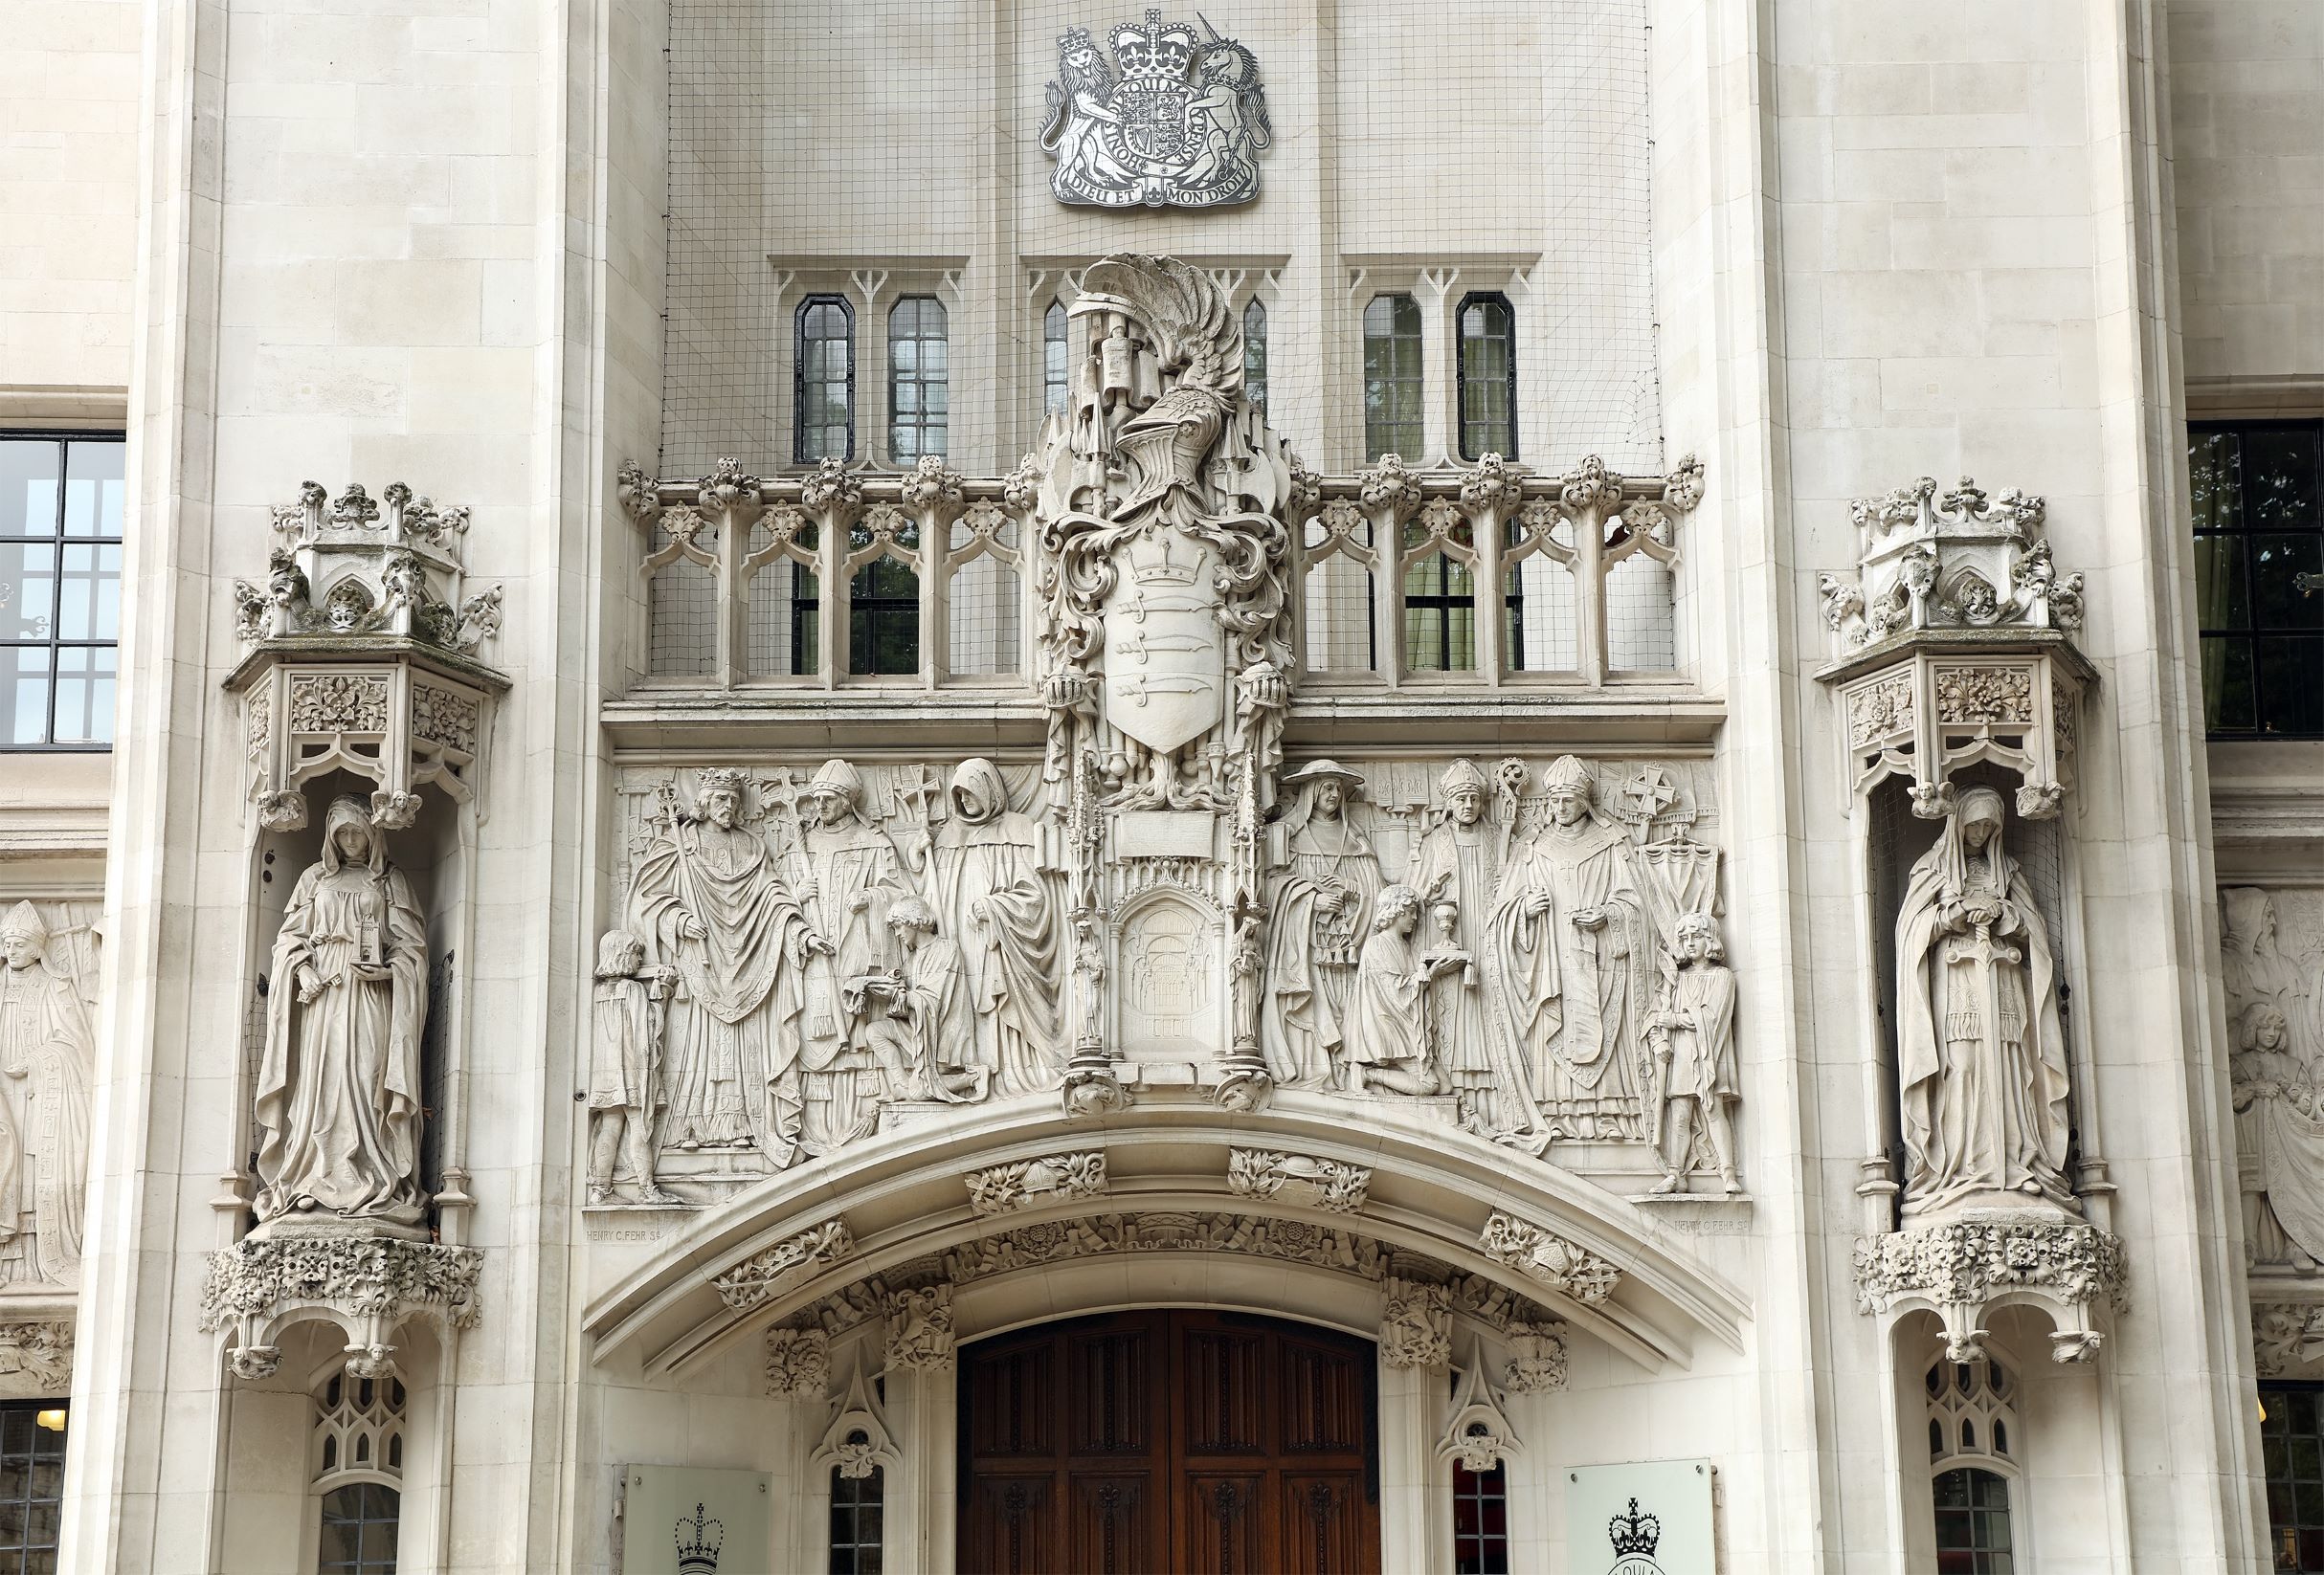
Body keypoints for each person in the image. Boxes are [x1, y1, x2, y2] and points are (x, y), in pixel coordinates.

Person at [629, 769, 827, 1165]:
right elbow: (646, 901)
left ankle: (746, 1127)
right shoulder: (680, 844)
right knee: (695, 1049)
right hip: (697, 962)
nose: (729, 806)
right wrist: (677, 919)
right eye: (721, 799)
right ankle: (689, 1129)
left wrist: (799, 931)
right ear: (703, 803)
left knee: (745, 1054)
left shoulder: (751, 846)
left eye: (734, 800)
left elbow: (772, 897)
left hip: (750, 962)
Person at [1893, 787, 2074, 1216]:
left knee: (2011, 1067)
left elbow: (2034, 930)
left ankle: (2015, 1161)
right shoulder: (1930, 870)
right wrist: (1949, 917)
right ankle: (1960, 1169)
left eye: (1988, 827)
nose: (1979, 833)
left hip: (2004, 981)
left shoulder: (2007, 873)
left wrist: (2006, 916)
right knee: (1962, 1066)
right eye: (1974, 825)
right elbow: (1910, 933)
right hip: (1956, 984)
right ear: (1957, 824)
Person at [255, 797, 430, 1227]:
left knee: (367, 1076)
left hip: (370, 994)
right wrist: (303, 970)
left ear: (373, 834)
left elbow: (412, 948)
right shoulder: (313, 879)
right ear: (331, 837)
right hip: (325, 997)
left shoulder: (390, 881)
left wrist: (390, 971)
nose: (351, 841)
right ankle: (314, 1174)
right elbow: (288, 940)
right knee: (321, 1080)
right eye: (343, 833)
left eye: (358, 832)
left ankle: (370, 1170)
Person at [1486, 756, 1650, 1140]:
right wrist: (1524, 910)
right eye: (1554, 800)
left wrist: (1609, 914)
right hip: (1550, 957)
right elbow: (1499, 912)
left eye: (1568, 800)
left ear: (1584, 802)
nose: (1559, 808)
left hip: (1601, 955)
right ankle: (1558, 1117)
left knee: (1606, 1032)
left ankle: (1612, 1118)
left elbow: (1637, 901)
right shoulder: (1532, 847)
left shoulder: (1611, 843)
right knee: (1555, 1027)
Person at [929, 760, 1060, 1096]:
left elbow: (1034, 897)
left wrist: (992, 907)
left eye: (970, 792)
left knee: (1003, 1002)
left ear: (988, 789)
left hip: (1000, 942)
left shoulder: (1018, 829)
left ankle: (1014, 1070)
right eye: (959, 794)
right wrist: (919, 858)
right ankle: (974, 1069)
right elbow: (932, 900)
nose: (964, 799)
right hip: (961, 940)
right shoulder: (950, 836)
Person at [1262, 761, 1385, 1089]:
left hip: (1348, 947)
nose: (1334, 794)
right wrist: (1310, 900)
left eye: (1338, 789)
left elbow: (1379, 895)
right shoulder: (1287, 835)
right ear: (1311, 791)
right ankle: (1318, 1075)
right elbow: (1269, 890)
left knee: (1347, 1010)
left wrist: (1349, 889)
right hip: (1305, 947)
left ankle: (1349, 1076)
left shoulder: (1356, 840)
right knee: (1316, 1009)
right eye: (1327, 787)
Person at [0, 903, 91, 1280]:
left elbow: (77, 1048)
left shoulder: (55, 986)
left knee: (28, 1171)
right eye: (7, 944)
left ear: (38, 949)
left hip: (37, 1095)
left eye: (19, 944)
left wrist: (36, 1061)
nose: (11, 951)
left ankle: (31, 1260)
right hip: (4, 1094)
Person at [1643, 911, 1741, 1195]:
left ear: (1710, 939)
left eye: (1696, 936)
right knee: (1680, 1115)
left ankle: (1728, 1172)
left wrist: (1674, 1019)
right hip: (1682, 1053)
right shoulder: (1678, 979)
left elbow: (1712, 1016)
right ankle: (1676, 1174)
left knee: (1713, 1110)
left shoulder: (1722, 977)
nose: (1689, 942)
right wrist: (1659, 1041)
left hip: (1710, 1051)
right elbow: (1655, 1015)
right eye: (1684, 937)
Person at [588, 929, 676, 1205]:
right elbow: (649, 1025)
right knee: (640, 1127)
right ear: (623, 955)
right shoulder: (631, 989)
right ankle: (647, 1189)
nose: (639, 959)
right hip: (629, 1069)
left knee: (610, 1127)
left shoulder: (599, 992)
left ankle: (600, 1190)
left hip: (605, 1072)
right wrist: (664, 991)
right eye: (636, 953)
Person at [1344, 885, 1455, 1097]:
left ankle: (1369, 1074)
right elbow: (1390, 987)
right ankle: (1367, 1073)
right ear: (1396, 911)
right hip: (1390, 1025)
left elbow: (1407, 984)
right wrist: (1428, 975)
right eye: (1411, 911)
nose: (1415, 917)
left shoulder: (1404, 946)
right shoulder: (1376, 944)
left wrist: (1429, 973)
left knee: (1446, 1086)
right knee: (1431, 1085)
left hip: (1404, 1023)